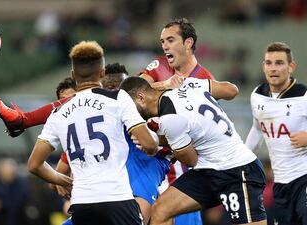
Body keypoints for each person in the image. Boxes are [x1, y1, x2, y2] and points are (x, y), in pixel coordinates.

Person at [27, 40, 159, 225]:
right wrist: (153, 143)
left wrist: (63, 180)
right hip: (116, 199)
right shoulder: (117, 98)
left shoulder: (58, 112)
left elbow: (34, 164)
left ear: (73, 75)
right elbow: (148, 144)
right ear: (102, 73)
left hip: (81, 205)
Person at [120, 76, 267, 225]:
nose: (130, 116)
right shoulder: (190, 84)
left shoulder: (170, 119)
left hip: (237, 170)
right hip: (208, 169)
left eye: (130, 109)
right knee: (161, 210)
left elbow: (190, 160)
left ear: (141, 98)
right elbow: (230, 90)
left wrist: (155, 141)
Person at [50, 63, 170, 225]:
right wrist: (65, 183)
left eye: (119, 88)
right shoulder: (96, 126)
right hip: (105, 193)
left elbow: (179, 139)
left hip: (150, 169)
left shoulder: (155, 108)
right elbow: (58, 175)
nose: (115, 93)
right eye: (109, 89)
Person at [245, 42, 307, 225]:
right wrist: (242, 157)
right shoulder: (257, 95)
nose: (273, 68)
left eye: (279, 63)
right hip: (281, 184)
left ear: (291, 66)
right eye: (269, 63)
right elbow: (257, 128)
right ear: (263, 66)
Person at [139, 18, 215, 225]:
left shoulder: (205, 80)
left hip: (184, 168)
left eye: (170, 40)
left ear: (188, 43)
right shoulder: (159, 66)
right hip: (152, 166)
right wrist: (165, 85)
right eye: (163, 41)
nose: (164, 46)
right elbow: (135, 91)